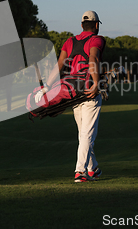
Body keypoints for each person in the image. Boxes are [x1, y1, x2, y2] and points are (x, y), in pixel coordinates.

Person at [42, 11, 106, 182]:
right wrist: (96, 83)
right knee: (87, 134)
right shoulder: (96, 39)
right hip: (88, 91)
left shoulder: (69, 41)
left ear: (81, 25)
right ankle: (80, 171)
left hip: (72, 93)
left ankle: (92, 168)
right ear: (97, 25)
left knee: (83, 134)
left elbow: (59, 65)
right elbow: (93, 58)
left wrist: (47, 86)